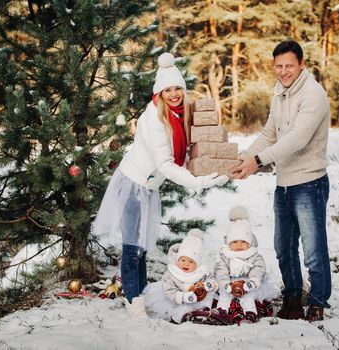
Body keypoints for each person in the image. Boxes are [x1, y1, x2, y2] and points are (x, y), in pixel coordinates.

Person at [94, 53, 229, 317]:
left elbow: (185, 151)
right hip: (133, 184)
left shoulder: (179, 115)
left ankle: (141, 293)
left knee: (143, 247)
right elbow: (166, 164)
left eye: (178, 88)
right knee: (132, 246)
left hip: (149, 186)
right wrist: (197, 182)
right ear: (160, 92)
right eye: (168, 89)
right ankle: (133, 301)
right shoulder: (153, 119)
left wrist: (211, 165)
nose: (174, 94)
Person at [231, 39, 331, 322]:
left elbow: (298, 139)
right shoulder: (279, 93)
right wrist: (245, 157)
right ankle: (292, 298)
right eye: (279, 66)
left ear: (302, 64)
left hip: (310, 183)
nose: (284, 71)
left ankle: (317, 303)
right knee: (283, 246)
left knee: (313, 249)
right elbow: (269, 133)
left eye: (289, 65)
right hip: (284, 183)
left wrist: (259, 162)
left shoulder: (313, 94)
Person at [214, 206, 275, 324]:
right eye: (235, 242)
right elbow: (221, 271)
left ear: (250, 242)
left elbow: (258, 270)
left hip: (248, 284)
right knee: (224, 294)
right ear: (229, 242)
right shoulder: (225, 255)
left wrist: (251, 283)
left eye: (243, 242)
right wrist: (225, 284)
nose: (239, 245)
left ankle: (250, 314)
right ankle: (222, 312)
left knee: (248, 297)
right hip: (230, 284)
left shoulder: (254, 256)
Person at [143, 229, 218, 323]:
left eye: (191, 262)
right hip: (174, 300)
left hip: (195, 300)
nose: (186, 264)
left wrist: (210, 284)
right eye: (183, 260)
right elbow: (169, 290)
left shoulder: (201, 272)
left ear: (197, 264)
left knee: (209, 294)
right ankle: (183, 315)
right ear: (178, 260)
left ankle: (203, 311)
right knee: (174, 308)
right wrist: (182, 297)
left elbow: (211, 279)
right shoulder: (172, 273)